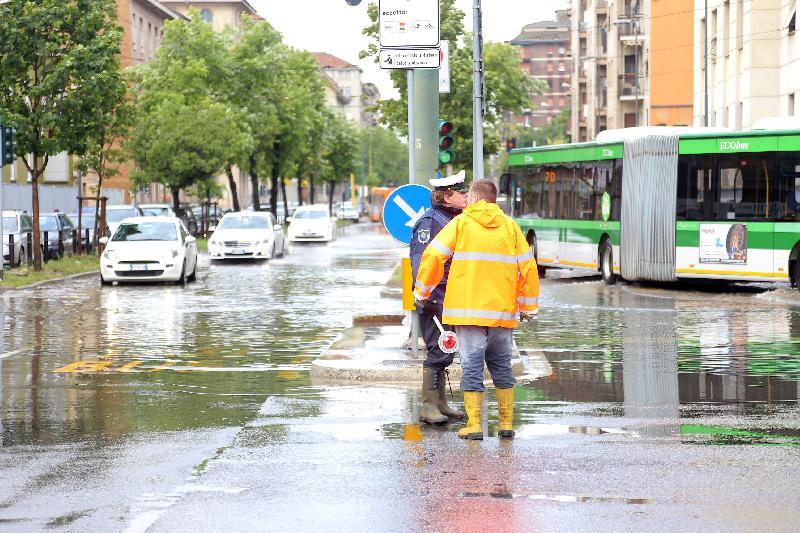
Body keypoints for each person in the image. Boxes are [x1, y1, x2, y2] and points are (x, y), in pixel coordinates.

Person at [413, 179, 539, 440]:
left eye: (468, 194)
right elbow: (528, 268)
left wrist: (422, 292)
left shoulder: (461, 224)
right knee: (502, 366)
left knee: (472, 366)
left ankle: (474, 426)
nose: (466, 198)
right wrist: (527, 307)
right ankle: (505, 424)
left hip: (468, 312)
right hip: (502, 312)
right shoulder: (511, 227)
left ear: (475, 197)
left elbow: (433, 256)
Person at [410, 170, 468, 425]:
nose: (466, 195)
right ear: (446, 197)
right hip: (435, 296)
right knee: (437, 348)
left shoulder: (451, 219)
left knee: (446, 347)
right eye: (460, 192)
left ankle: (441, 403)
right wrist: (428, 294)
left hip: (450, 295)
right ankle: (429, 406)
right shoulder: (431, 222)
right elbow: (421, 261)